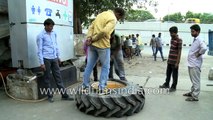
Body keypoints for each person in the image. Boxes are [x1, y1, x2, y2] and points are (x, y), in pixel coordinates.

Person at [82, 8, 125, 93]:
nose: (118, 20)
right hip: (103, 45)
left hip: (92, 46)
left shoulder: (100, 15)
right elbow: (104, 32)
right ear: (118, 14)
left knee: (89, 66)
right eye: (119, 18)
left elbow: (91, 27)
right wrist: (93, 39)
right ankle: (102, 88)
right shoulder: (113, 19)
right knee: (106, 67)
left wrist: (89, 38)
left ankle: (85, 86)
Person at [36, 18, 73, 103]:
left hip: (54, 58)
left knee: (58, 77)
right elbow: (39, 50)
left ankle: (64, 95)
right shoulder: (40, 36)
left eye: (52, 26)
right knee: (47, 78)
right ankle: (50, 96)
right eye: (50, 26)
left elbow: (55, 45)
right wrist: (42, 63)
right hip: (46, 59)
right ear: (45, 25)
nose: (51, 28)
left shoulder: (54, 33)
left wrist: (58, 57)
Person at [183, 24, 207, 101]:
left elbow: (204, 48)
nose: (191, 33)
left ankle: (195, 96)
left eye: (193, 31)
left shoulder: (200, 39)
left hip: (195, 64)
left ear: (198, 31)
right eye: (191, 31)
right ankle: (192, 92)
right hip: (191, 63)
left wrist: (199, 54)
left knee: (196, 80)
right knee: (193, 80)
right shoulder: (195, 39)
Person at [159, 26, 182, 92]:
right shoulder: (172, 39)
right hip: (170, 60)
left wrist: (177, 63)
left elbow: (179, 52)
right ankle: (166, 84)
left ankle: (173, 87)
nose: (171, 34)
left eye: (172, 33)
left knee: (174, 75)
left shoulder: (179, 40)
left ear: (176, 33)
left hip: (175, 61)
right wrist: (168, 60)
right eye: (170, 33)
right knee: (168, 73)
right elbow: (171, 50)